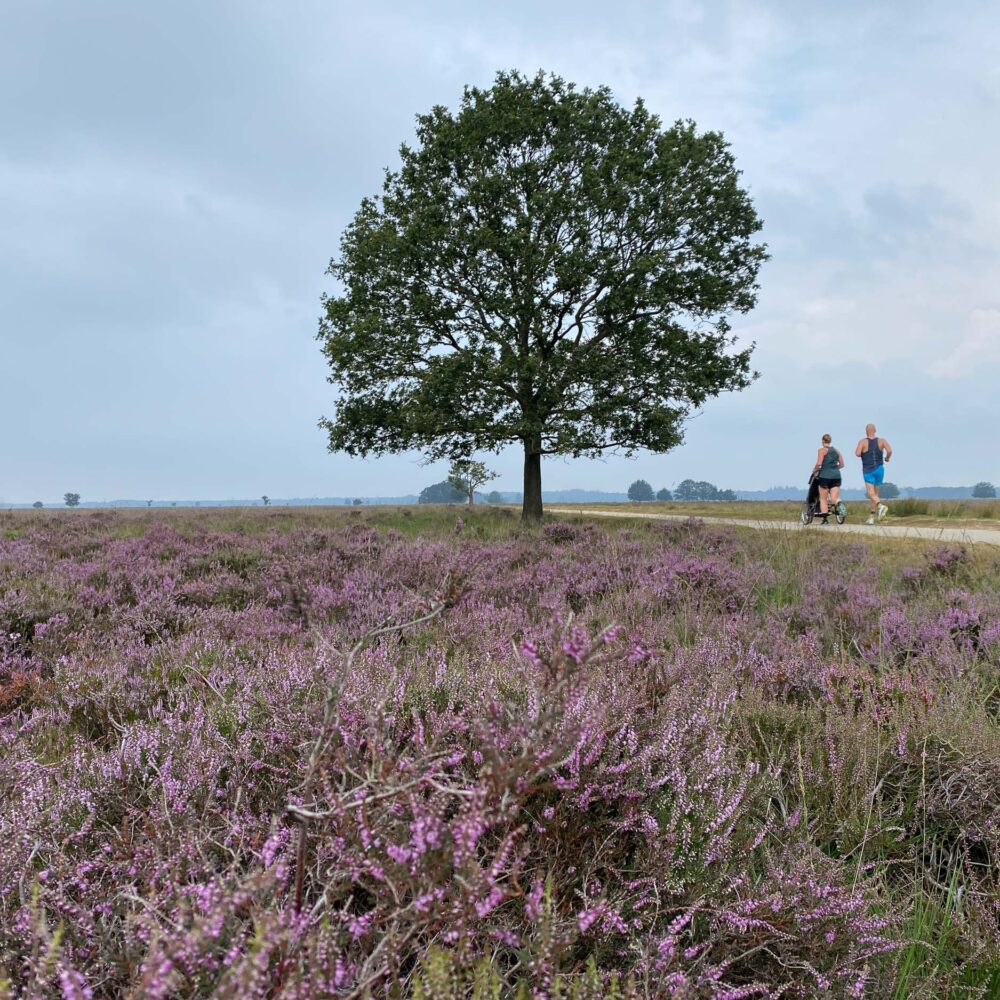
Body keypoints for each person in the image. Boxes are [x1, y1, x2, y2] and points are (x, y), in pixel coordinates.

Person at [855, 423, 892, 525]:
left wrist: (863, 451)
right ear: (875, 430)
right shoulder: (882, 441)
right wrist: (887, 458)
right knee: (875, 495)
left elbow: (857, 453)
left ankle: (881, 506)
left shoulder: (863, 441)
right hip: (880, 469)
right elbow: (889, 450)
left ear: (866, 431)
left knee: (870, 493)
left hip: (868, 469)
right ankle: (871, 517)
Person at [812, 433, 844, 525]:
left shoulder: (821, 450)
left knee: (823, 499)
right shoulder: (836, 451)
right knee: (834, 498)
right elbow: (842, 464)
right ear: (830, 441)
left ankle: (825, 520)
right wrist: (833, 468)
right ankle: (839, 504)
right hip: (836, 476)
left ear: (823, 441)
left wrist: (814, 471)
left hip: (825, 476)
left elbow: (819, 463)